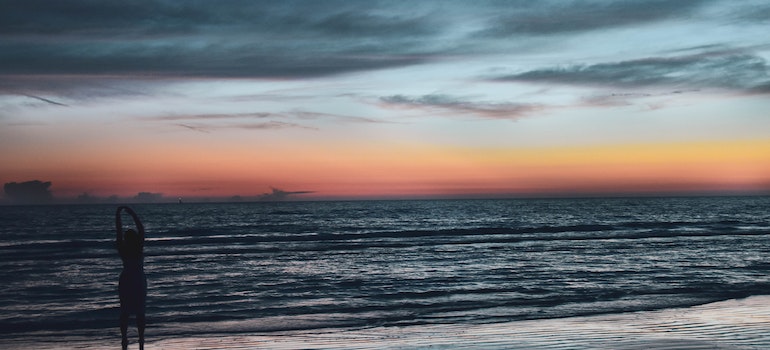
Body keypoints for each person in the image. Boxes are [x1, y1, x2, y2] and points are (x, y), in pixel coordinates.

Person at [115, 206, 147, 350]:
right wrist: (133, 213)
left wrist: (118, 215)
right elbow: (141, 230)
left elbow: (118, 231)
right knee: (140, 311)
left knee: (125, 311)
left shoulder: (123, 248)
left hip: (127, 280)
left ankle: (124, 337)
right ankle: (140, 338)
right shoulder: (138, 247)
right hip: (138, 280)